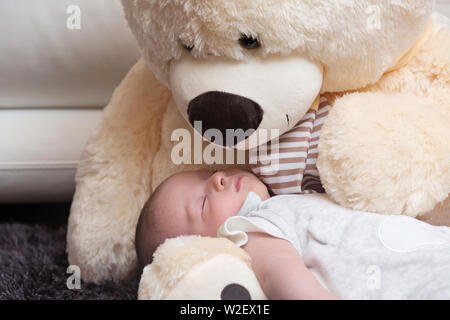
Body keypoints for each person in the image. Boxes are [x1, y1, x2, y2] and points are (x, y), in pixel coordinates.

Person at [135, 168, 450, 300]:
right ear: (203, 248)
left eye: (207, 174)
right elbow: (279, 275)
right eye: (203, 202)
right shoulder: (250, 232)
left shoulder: (287, 200)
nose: (218, 177)